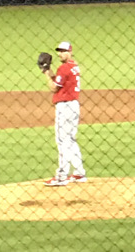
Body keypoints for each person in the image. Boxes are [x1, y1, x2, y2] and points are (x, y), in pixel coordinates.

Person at [41, 42, 86, 187]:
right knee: (71, 139)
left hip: (65, 106)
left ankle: (61, 176)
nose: (60, 54)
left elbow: (54, 87)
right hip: (74, 105)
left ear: (70, 52)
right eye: (59, 51)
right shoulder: (74, 66)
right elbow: (60, 81)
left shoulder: (64, 68)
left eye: (63, 51)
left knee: (62, 141)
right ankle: (79, 172)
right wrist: (49, 71)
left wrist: (46, 73)